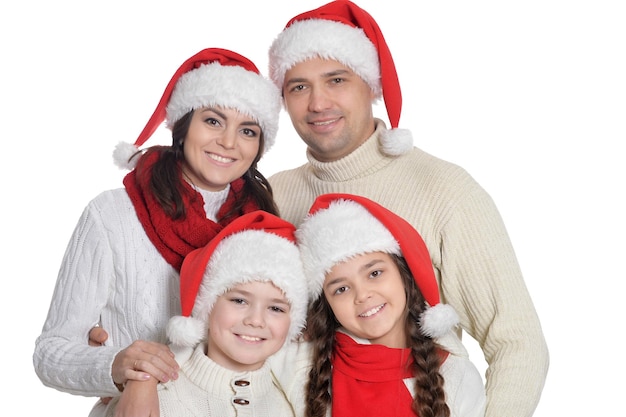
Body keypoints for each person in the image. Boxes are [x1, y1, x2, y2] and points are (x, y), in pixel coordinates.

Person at [266, 1, 549, 416]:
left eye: (337, 79)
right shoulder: (272, 196)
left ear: (372, 84)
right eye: (298, 86)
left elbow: (518, 342)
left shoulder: (445, 190)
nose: (318, 102)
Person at [33, 47, 282, 416]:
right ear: (183, 127)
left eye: (247, 130)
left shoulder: (263, 223)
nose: (229, 142)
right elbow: (50, 352)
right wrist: (119, 367)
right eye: (213, 121)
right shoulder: (113, 214)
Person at [295, 193, 486, 417]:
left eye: (375, 273)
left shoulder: (457, 375)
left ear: (404, 273)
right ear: (327, 304)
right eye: (341, 289)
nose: (363, 295)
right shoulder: (304, 366)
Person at [107, 210, 310, 417]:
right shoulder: (149, 401)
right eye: (239, 301)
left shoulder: (299, 403)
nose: (256, 320)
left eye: (276, 308)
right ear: (208, 305)